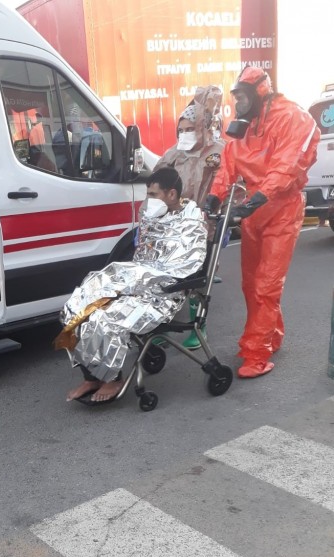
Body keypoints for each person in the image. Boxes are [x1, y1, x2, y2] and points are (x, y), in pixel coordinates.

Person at [204, 66, 320, 378]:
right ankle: (271, 334)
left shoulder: (293, 118)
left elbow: (288, 165)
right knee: (251, 283)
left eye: (241, 96)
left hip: (282, 209)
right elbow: (229, 163)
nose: (237, 102)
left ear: (259, 92)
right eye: (236, 97)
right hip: (254, 210)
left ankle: (256, 353)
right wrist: (215, 195)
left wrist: (257, 199)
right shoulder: (245, 125)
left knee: (267, 285)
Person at [57, 167, 207, 403]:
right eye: (148, 194)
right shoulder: (153, 217)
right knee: (76, 308)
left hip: (163, 295)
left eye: (153, 194)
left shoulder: (190, 223)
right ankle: (92, 376)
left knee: (103, 319)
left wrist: (134, 278)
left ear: (172, 194)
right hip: (138, 286)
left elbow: (178, 270)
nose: (149, 199)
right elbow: (143, 258)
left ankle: (112, 379)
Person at [155, 85, 226, 349]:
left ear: (203, 128)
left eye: (190, 129)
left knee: (196, 277)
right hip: (174, 224)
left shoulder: (217, 151)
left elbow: (231, 183)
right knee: (168, 277)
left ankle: (199, 325)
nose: (184, 134)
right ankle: (162, 325)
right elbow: (157, 181)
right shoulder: (174, 154)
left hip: (203, 225)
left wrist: (217, 208)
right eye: (181, 129)